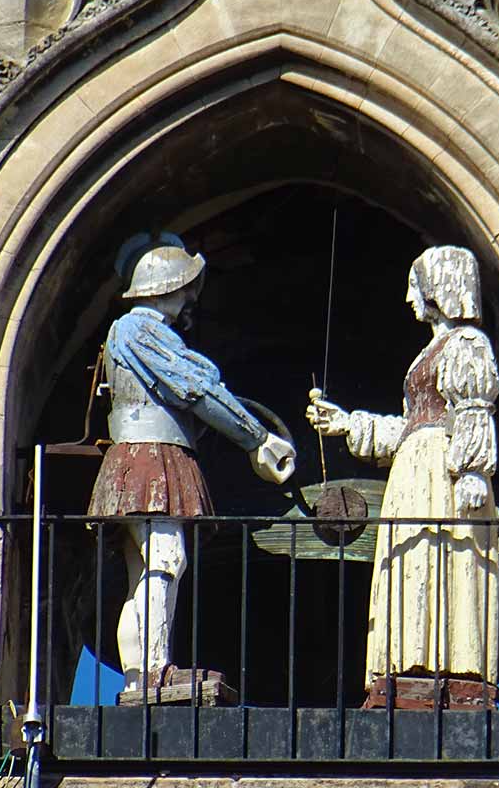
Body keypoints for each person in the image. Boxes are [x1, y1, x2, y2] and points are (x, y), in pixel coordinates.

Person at [90, 231, 296, 693]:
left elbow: (193, 388)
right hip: (152, 458)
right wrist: (256, 438)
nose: (188, 301)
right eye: (184, 290)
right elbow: (193, 387)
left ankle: (142, 673)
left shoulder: (139, 332)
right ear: (164, 288)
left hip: (149, 455)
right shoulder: (139, 328)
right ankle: (154, 670)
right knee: (165, 557)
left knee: (145, 568)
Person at [305, 245, 499, 704]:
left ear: (439, 289)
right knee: (413, 558)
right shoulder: (428, 352)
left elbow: (473, 410)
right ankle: (408, 662)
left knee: (438, 551)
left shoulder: (468, 345)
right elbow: (414, 423)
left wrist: (472, 471)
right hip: (415, 468)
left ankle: (446, 668)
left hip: (442, 470)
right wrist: (348, 422)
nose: (411, 298)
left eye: (417, 288)